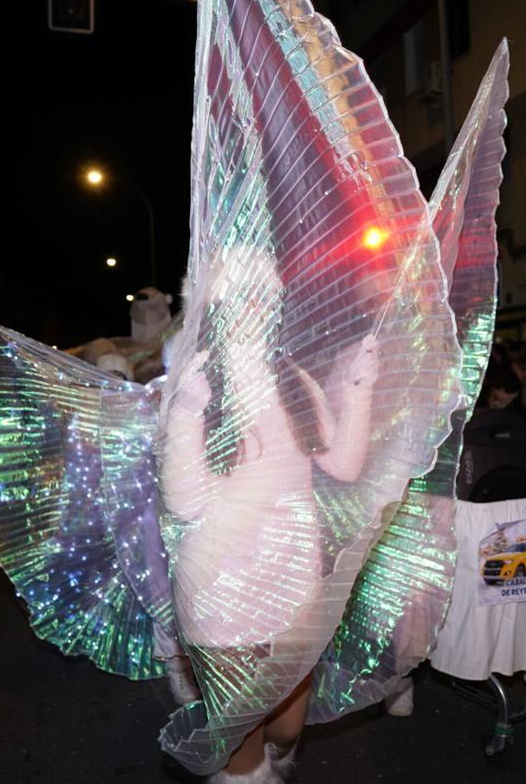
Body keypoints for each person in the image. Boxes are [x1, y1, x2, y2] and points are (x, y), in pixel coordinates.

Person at [159, 251, 380, 781]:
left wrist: (358, 388)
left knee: (286, 728)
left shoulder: (292, 376)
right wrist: (186, 414)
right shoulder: (198, 379)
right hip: (220, 577)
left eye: (265, 293)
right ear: (216, 305)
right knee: (244, 745)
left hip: (292, 576)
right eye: (242, 294)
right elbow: (185, 503)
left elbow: (345, 465)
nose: (256, 304)